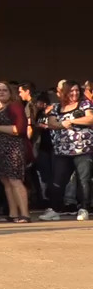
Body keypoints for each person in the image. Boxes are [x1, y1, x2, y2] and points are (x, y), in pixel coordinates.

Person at [37, 79, 93, 221]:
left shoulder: (84, 104)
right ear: (65, 93)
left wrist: (71, 121)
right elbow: (51, 123)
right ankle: (55, 209)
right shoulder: (56, 107)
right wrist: (64, 124)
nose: (75, 93)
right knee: (58, 180)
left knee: (84, 180)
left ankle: (84, 209)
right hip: (62, 150)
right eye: (71, 91)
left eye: (77, 90)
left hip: (82, 149)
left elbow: (90, 118)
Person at [0, 82, 32, 223]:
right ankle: (13, 214)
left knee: (15, 180)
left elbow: (19, 129)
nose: (1, 92)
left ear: (11, 93)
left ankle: (25, 214)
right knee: (6, 182)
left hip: (13, 148)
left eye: (5, 90)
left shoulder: (15, 106)